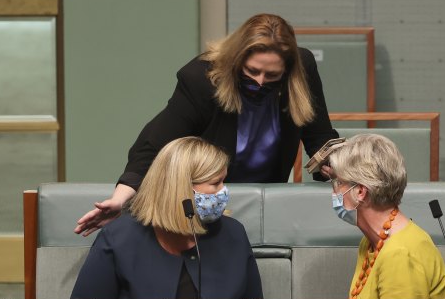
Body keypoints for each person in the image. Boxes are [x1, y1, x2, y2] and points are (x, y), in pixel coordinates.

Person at [75, 13, 338, 236]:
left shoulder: (302, 69)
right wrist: (120, 199)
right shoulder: (202, 79)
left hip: (268, 199)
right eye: (252, 73)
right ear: (236, 61)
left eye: (272, 76)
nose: (259, 83)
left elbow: (320, 137)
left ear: (288, 71)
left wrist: (337, 166)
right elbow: (152, 145)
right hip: (209, 201)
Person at [70, 137, 263, 299]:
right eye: (215, 183)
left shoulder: (234, 234)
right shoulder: (119, 237)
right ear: (181, 189)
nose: (224, 191)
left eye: (224, 181)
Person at [328, 134, 445, 299]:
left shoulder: (399, 255)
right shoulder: (372, 242)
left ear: (360, 192)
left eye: (338, 183)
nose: (334, 191)